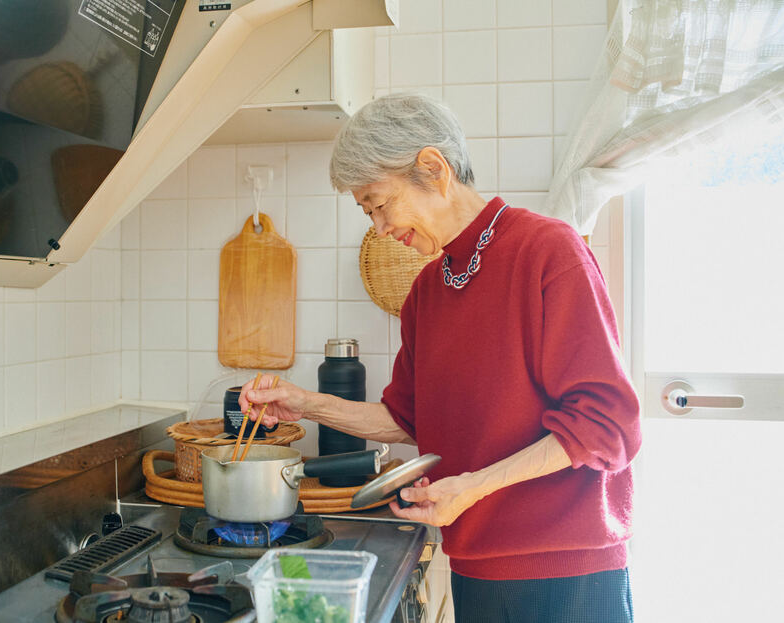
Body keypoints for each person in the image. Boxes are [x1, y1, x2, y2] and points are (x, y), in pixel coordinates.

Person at [239, 93, 642, 623]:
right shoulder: (428, 289)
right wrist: (304, 402)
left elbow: (606, 424)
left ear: (433, 168)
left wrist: (473, 487)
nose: (379, 228)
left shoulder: (548, 252)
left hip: (567, 571)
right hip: (476, 564)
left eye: (379, 204)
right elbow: (405, 419)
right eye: (367, 212)